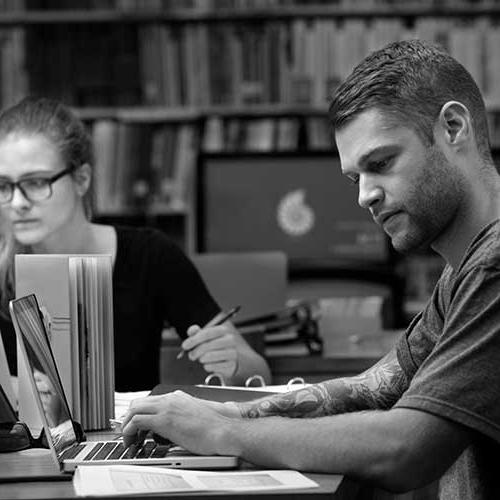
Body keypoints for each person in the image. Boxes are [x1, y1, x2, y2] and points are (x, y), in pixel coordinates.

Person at [121, 39, 500, 498]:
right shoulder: (461, 271)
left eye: (381, 163)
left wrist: (225, 435)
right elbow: (377, 386)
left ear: (453, 127)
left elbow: (405, 450)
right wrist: (224, 414)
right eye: (356, 178)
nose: (365, 196)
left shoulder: (493, 265)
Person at [0, 96, 271, 391]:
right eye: (3, 186)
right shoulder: (3, 271)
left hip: (130, 435)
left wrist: (232, 361)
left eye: (36, 182)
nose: (17, 202)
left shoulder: (149, 255)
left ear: (81, 179)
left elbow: (259, 376)